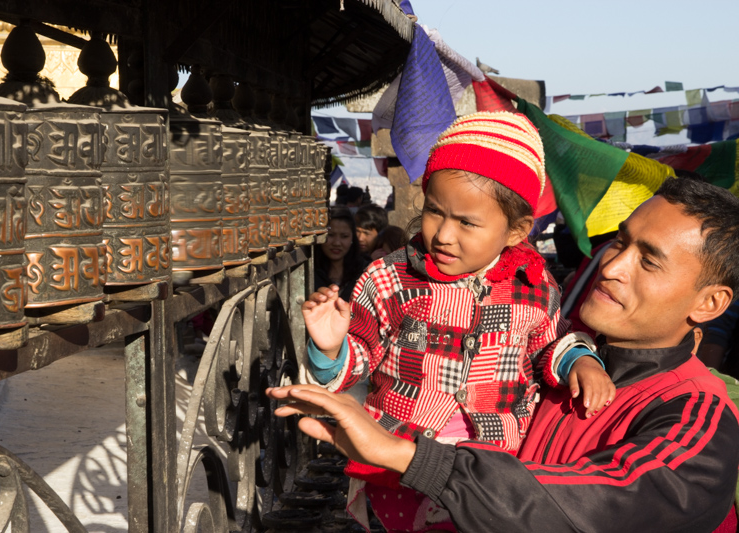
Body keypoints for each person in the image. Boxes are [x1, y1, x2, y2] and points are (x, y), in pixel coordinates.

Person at [270, 176, 739, 533]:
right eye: (619, 241)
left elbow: (597, 504)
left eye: (649, 260)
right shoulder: (556, 354)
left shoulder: (698, 416)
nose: (612, 266)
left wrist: (406, 456)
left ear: (710, 303)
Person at [299, 113, 615, 531]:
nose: (444, 235)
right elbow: (360, 355)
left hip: (494, 465)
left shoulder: (536, 286)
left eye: (467, 222)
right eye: (434, 211)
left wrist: (580, 361)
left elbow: (546, 348)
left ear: (517, 231)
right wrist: (330, 349)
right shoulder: (389, 277)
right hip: (399, 459)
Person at [313, 208, 369, 303]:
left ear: (352, 238)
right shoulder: (309, 271)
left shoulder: (365, 271)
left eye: (344, 236)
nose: (337, 243)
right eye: (330, 235)